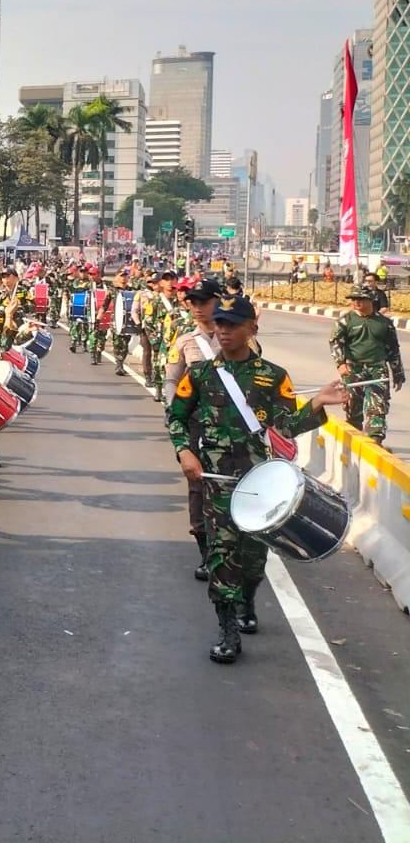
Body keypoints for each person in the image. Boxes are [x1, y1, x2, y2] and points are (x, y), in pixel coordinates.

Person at [166, 294, 344, 664]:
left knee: (252, 557)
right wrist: (184, 450)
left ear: (252, 329)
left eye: (232, 325)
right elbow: (177, 417)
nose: (224, 331)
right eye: (220, 324)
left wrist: (317, 403)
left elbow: (286, 427)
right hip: (217, 480)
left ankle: (248, 599)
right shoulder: (200, 374)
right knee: (222, 554)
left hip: (260, 480)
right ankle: (228, 629)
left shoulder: (274, 376)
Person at [162, 277, 223, 580]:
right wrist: (174, 410)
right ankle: (205, 552)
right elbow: (172, 379)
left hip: (230, 426)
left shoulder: (237, 338)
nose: (198, 308)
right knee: (198, 486)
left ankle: (228, 553)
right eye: (194, 303)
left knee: (228, 488)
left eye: (205, 302)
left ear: (218, 302)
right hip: (197, 423)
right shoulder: (185, 341)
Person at [330, 284, 405, 443]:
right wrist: (340, 364)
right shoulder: (345, 321)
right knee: (352, 408)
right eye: (354, 299)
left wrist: (398, 373)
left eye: (361, 299)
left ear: (371, 300)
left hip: (377, 369)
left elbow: (393, 349)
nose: (356, 302)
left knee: (377, 407)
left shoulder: (384, 323)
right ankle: (354, 442)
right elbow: (335, 342)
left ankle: (374, 441)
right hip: (353, 369)